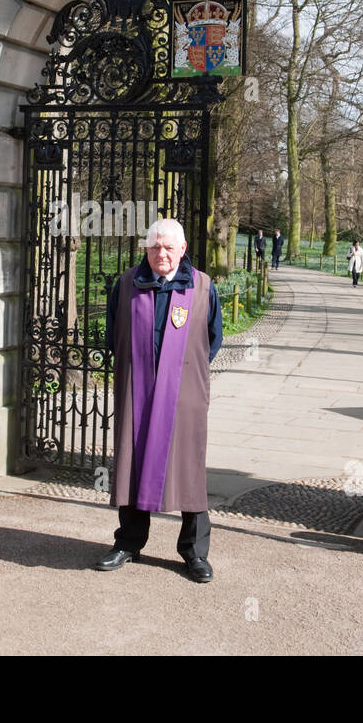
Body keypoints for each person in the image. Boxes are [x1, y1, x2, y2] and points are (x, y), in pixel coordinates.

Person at [95, 218, 223, 583]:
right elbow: (113, 336)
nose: (161, 253)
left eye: (168, 247)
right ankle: (128, 543)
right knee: (132, 464)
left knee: (188, 468)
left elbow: (212, 341)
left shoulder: (202, 287)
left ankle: (194, 552)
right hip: (137, 389)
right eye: (154, 247)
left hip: (184, 394)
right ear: (145, 249)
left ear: (183, 250)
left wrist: (177, 372)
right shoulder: (126, 285)